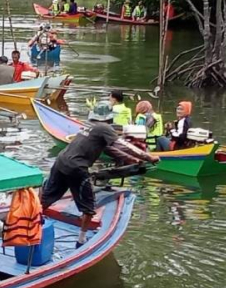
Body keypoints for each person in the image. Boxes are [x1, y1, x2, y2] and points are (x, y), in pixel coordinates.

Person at [40, 101, 158, 247]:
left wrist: (132, 160)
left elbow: (109, 150)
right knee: (89, 208)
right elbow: (122, 145)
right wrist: (147, 157)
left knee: (46, 199)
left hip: (61, 161)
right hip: (77, 167)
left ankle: (35, 226)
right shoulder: (104, 128)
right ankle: (81, 241)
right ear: (109, 118)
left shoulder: (89, 128)